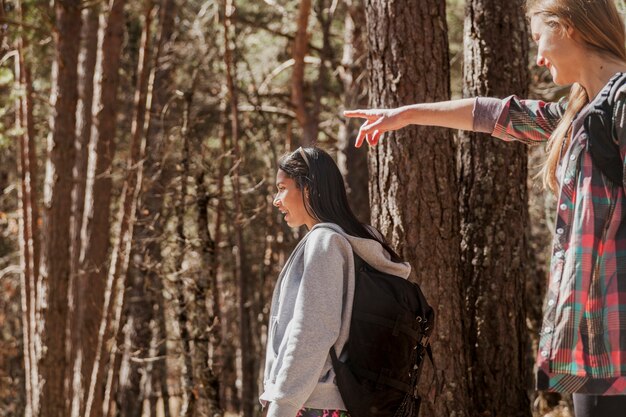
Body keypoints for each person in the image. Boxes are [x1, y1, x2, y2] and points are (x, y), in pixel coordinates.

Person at [344, 0, 626, 416]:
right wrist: (404, 115)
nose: (537, 57)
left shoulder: (620, 102)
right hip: (595, 338)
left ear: (567, 27)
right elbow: (499, 115)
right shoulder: (582, 112)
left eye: (538, 39)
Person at [260, 147, 411, 417]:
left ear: (307, 189)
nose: (276, 200)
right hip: (354, 402)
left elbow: (311, 332)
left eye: (282, 188)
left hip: (314, 403)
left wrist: (282, 406)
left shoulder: (324, 243)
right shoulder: (364, 240)